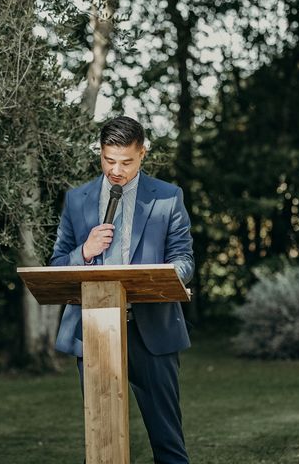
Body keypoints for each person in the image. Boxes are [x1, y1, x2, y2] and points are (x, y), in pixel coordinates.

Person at [51, 116, 194, 464]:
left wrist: (165, 275)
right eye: (109, 160)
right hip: (94, 331)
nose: (116, 169)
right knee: (100, 443)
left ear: (142, 154)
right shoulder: (77, 199)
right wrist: (84, 252)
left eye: (126, 161)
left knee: (168, 443)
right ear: (100, 153)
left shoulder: (168, 197)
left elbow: (184, 259)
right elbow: (57, 265)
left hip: (152, 331)